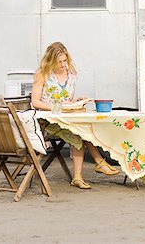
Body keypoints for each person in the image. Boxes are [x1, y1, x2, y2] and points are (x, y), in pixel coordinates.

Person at [31, 41, 119, 189]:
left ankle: (90, 169)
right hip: (49, 121)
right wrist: (59, 108)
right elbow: (35, 102)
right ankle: (95, 165)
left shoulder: (71, 73)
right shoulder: (42, 74)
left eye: (65, 60)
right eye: (59, 62)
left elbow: (67, 98)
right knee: (79, 131)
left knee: (86, 126)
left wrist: (77, 101)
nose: (63, 64)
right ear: (50, 61)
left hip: (68, 117)